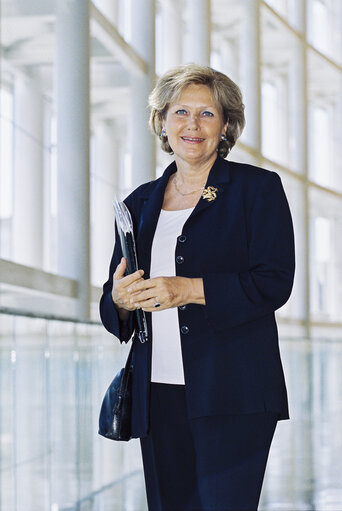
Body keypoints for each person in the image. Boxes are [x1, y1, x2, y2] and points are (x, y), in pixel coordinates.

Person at [100, 64, 295, 511]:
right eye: (181, 112)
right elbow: (116, 303)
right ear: (162, 121)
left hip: (235, 392)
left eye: (207, 114)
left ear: (225, 125)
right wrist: (118, 299)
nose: (193, 125)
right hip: (157, 394)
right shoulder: (139, 201)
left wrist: (188, 289)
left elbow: (274, 282)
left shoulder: (257, 189)